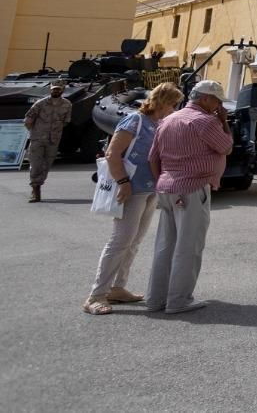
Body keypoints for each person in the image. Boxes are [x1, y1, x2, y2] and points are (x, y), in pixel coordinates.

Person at [83, 83, 184, 315]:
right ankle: (96, 295)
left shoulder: (158, 123)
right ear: (162, 101)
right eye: (172, 103)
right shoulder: (134, 121)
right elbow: (112, 153)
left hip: (149, 190)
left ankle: (117, 287)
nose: (174, 108)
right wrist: (123, 183)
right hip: (132, 189)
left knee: (134, 241)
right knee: (120, 241)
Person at [145, 80, 233, 314]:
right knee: (188, 246)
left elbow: (153, 158)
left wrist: (161, 182)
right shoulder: (206, 121)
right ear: (205, 99)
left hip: (167, 187)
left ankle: (156, 299)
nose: (218, 106)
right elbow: (226, 147)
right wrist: (224, 122)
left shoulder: (168, 120)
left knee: (165, 245)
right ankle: (179, 300)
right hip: (192, 188)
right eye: (217, 100)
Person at [23, 81, 73, 202]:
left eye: (58, 89)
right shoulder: (41, 103)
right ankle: (35, 189)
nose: (56, 91)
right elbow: (28, 120)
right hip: (38, 138)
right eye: (54, 89)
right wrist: (35, 132)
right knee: (35, 164)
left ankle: (39, 184)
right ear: (50, 90)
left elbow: (66, 121)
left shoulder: (67, 104)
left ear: (62, 90)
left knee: (47, 164)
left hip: (53, 139)